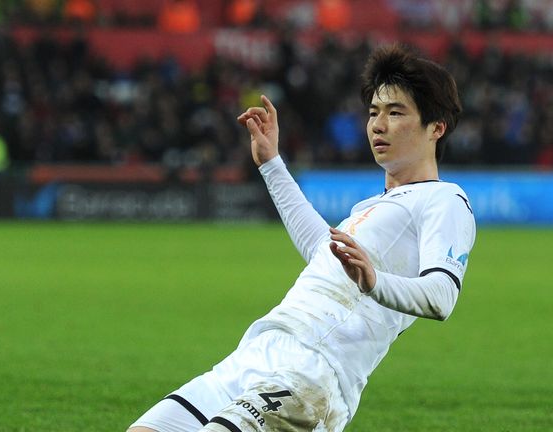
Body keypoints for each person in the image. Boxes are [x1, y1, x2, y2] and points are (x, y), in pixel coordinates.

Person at [127, 44, 476, 432]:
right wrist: (272, 164)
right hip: (258, 352)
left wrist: (376, 282)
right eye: (374, 113)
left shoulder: (445, 199)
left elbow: (442, 297)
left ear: (436, 128)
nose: (378, 125)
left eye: (396, 113)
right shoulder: (370, 206)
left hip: (313, 372)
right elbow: (321, 252)